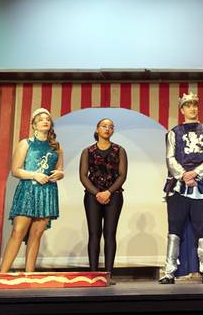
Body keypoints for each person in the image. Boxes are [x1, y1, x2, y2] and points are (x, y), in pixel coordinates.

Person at [159, 93, 203, 284]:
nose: (192, 109)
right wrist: (184, 175)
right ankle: (169, 271)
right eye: (188, 106)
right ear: (182, 109)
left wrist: (195, 174)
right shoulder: (173, 132)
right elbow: (170, 158)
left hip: (201, 185)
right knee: (174, 227)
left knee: (202, 227)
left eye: (194, 105)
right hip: (178, 186)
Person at [0, 108, 64, 272]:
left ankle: (30, 274)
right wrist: (34, 175)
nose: (45, 121)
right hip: (28, 190)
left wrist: (59, 174)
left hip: (47, 191)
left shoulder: (56, 147)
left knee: (36, 235)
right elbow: (15, 170)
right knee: (18, 231)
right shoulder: (25, 143)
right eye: (41, 119)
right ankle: (2, 273)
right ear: (34, 124)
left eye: (48, 119)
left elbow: (59, 169)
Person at [79, 118, 127, 283]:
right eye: (104, 126)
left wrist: (108, 192)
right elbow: (83, 176)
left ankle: (108, 275)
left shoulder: (119, 150)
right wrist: (97, 193)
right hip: (92, 196)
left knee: (110, 234)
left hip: (114, 195)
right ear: (97, 129)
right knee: (94, 234)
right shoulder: (88, 151)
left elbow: (122, 175)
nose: (108, 129)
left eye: (111, 127)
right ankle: (93, 275)